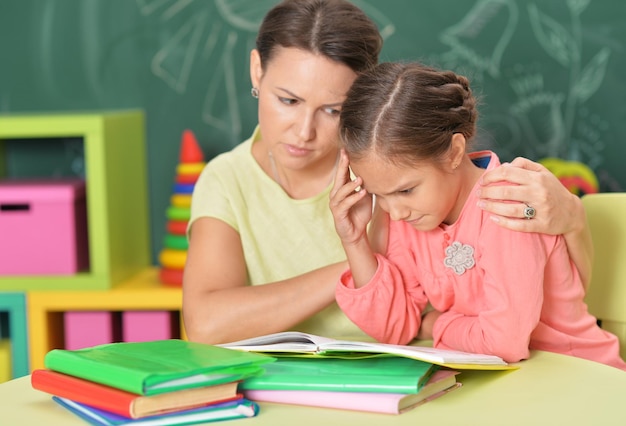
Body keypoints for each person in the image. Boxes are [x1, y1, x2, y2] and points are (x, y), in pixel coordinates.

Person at [182, 0, 593, 346]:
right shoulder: (228, 178)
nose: (304, 132)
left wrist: (572, 217)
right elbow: (205, 322)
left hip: (443, 368)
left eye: (333, 110)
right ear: (257, 71)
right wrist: (356, 250)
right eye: (288, 100)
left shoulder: (395, 163)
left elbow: (553, 308)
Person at [330, 61, 626, 370]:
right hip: (511, 382)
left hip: (578, 373)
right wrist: (354, 241)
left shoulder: (509, 202)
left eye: (406, 190)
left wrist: (436, 325)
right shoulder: (409, 216)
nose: (395, 211)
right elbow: (395, 329)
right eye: (379, 194)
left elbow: (502, 344)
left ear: (454, 152)